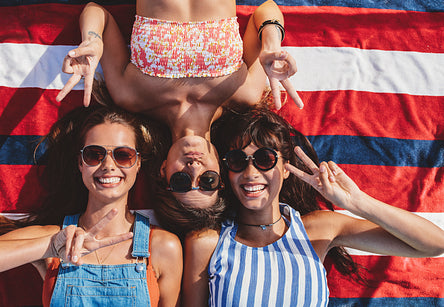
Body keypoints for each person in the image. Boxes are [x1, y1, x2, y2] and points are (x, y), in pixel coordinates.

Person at [182, 106, 444, 306]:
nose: (250, 173)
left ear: (286, 169)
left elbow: (434, 243)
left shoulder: (318, 229)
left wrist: (357, 202)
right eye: (238, 160)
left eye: (264, 159)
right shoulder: (206, 243)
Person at [55, 1, 301, 214]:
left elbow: (97, 12)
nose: (194, 169)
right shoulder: (245, 93)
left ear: (163, 171)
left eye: (182, 181)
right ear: (221, 171)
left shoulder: (130, 96)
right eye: (208, 181)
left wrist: (93, 40)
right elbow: (267, 9)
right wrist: (271, 43)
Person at [0, 105, 182, 307]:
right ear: (80, 163)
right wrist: (48, 248)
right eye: (94, 154)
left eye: (123, 155)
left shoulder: (162, 247)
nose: (108, 165)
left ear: (138, 162)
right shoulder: (53, 238)